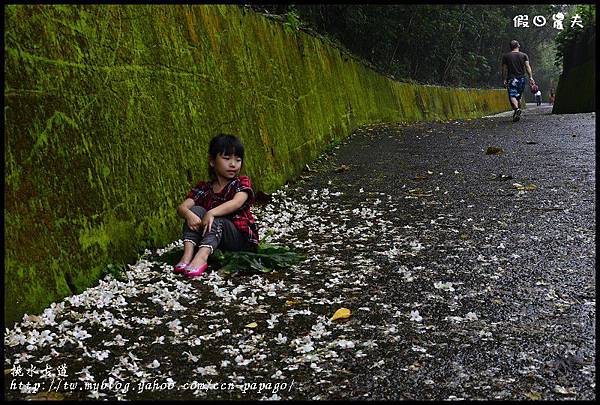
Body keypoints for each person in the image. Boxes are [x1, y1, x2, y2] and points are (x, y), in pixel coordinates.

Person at [174, 134, 259, 278]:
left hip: (237, 238)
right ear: (212, 161)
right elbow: (182, 207)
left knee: (217, 219)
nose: (233, 164)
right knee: (195, 210)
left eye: (238, 160)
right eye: (227, 159)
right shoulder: (205, 188)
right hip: (213, 237)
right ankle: (187, 255)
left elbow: (236, 202)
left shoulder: (241, 183)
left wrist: (212, 213)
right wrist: (189, 215)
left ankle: (201, 257)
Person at [502, 40, 535, 122]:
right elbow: (527, 67)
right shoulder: (524, 55)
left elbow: (504, 69)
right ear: (518, 46)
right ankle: (517, 111)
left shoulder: (506, 56)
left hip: (512, 78)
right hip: (522, 78)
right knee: (518, 96)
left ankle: (516, 109)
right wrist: (531, 77)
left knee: (512, 95)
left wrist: (504, 79)